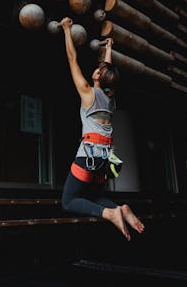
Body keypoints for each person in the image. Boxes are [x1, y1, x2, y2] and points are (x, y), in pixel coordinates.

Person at [60, 17, 145, 241]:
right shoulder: (110, 99)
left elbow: (72, 58)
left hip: (88, 159)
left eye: (98, 69)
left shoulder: (88, 94)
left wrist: (67, 30)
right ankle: (122, 209)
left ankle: (110, 212)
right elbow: (108, 73)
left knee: (69, 201)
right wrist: (109, 48)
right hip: (104, 161)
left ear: (98, 76)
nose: (96, 69)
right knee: (92, 196)